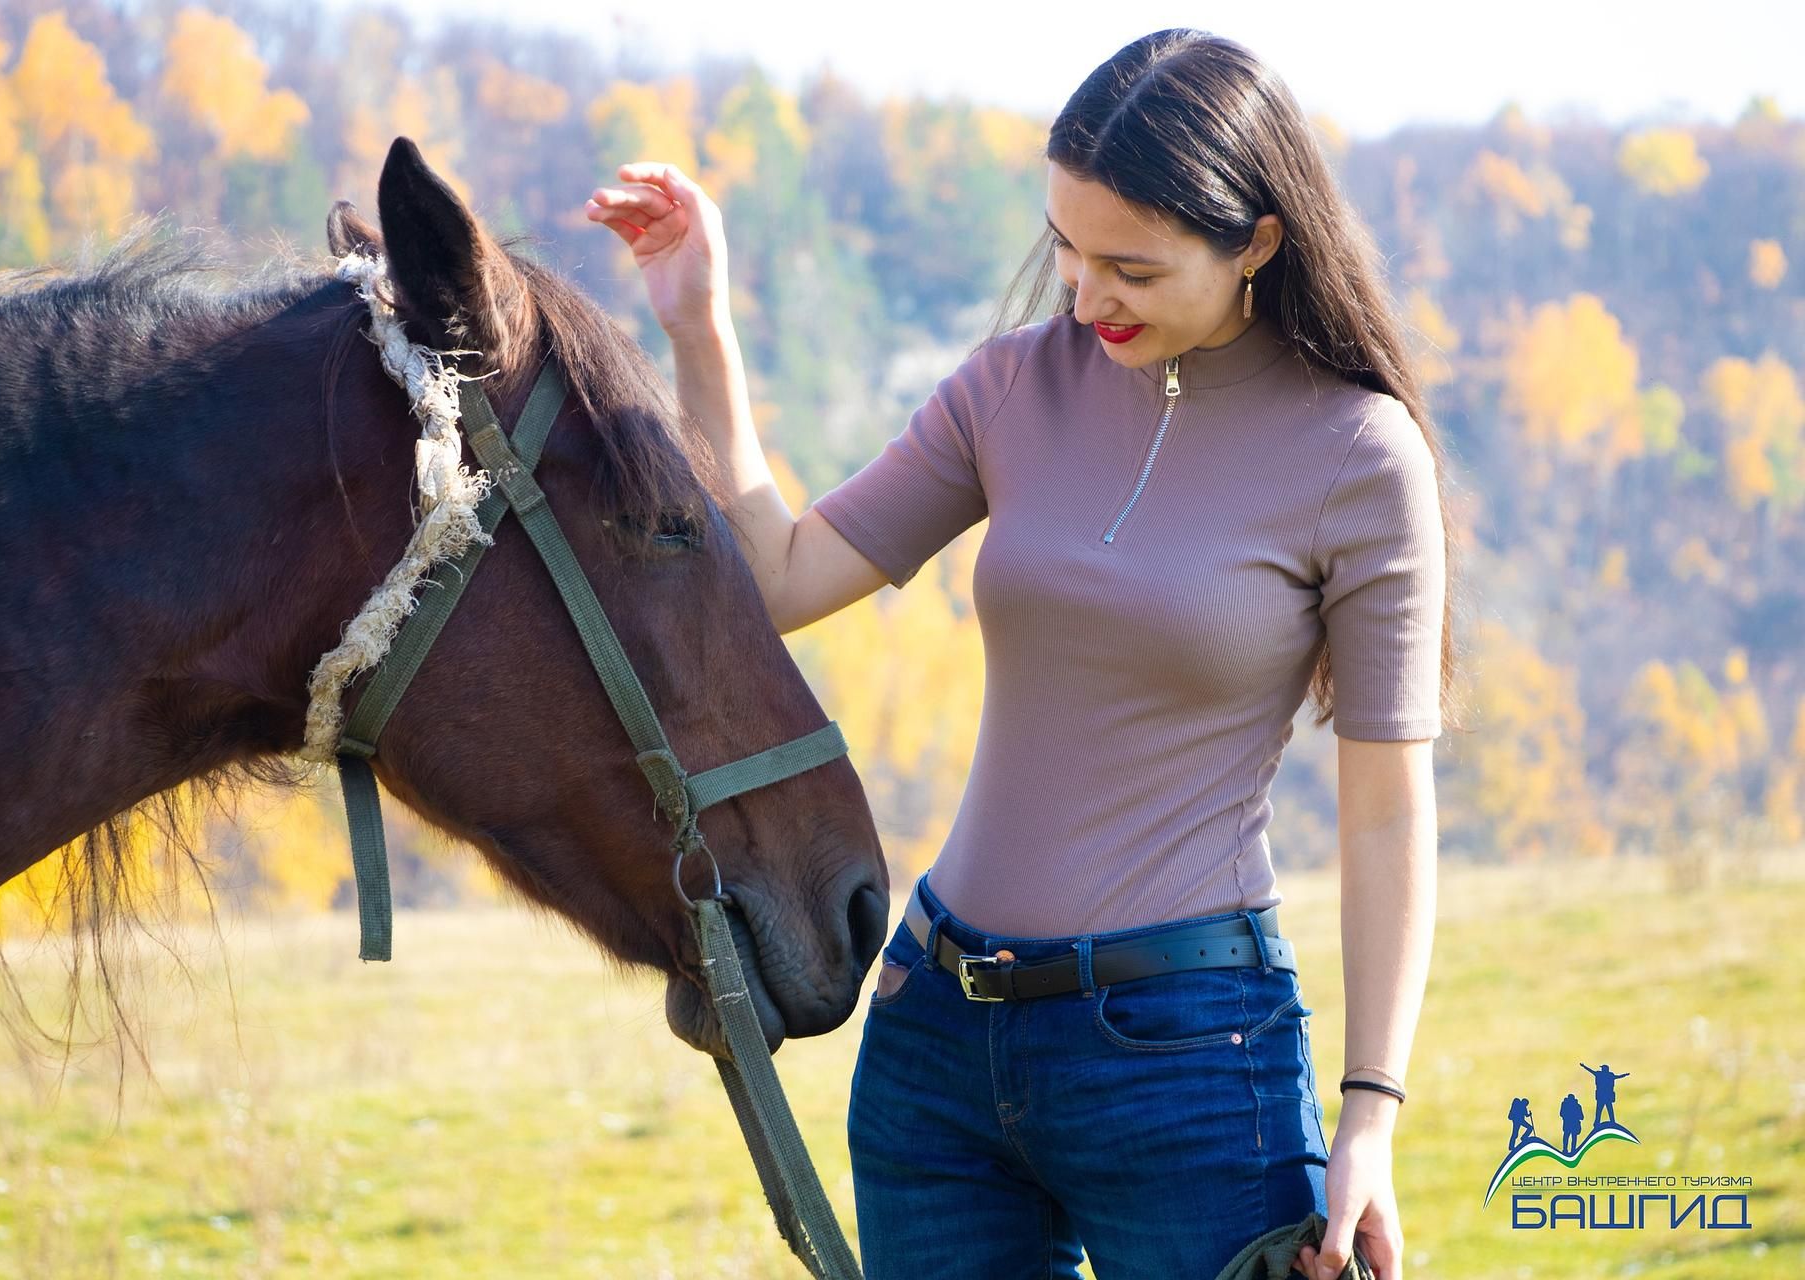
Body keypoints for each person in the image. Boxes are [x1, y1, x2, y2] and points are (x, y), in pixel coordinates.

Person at [585, 26, 1453, 1280]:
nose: (1087, 295)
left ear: (1258, 241)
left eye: (1133, 268)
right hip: (936, 1040)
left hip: (1187, 1062)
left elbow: (1386, 816)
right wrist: (699, 325)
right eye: (1066, 248)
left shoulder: (1361, 458)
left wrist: (1370, 1111)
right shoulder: (1010, 387)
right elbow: (777, 577)